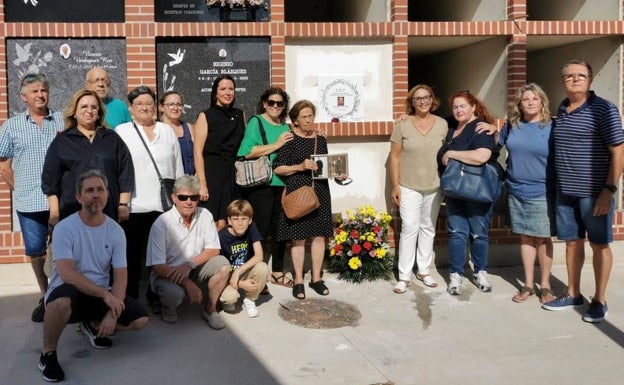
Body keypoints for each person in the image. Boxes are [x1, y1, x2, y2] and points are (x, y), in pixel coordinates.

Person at [38, 170, 148, 383]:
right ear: (79, 197)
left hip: (98, 294)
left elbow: (121, 276)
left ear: (107, 195)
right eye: (89, 190)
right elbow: (67, 273)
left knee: (140, 319)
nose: (96, 195)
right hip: (68, 290)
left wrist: (112, 313)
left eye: (100, 190)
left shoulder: (115, 231)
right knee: (61, 301)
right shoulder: (65, 228)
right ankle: (47, 354)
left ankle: (93, 323)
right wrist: (106, 297)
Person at [541, 60, 624, 323]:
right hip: (565, 191)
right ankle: (573, 293)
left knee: (599, 245)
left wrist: (608, 191)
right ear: (563, 80)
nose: (575, 79)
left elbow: (618, 151)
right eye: (569, 76)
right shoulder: (563, 109)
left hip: (594, 193)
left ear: (590, 79)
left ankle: (599, 300)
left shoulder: (604, 110)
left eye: (581, 75)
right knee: (572, 243)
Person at [478, 83, 557, 304]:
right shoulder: (512, 125)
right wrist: (493, 128)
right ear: (519, 104)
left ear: (542, 101)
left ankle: (546, 286)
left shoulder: (552, 126)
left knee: (542, 239)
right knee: (525, 237)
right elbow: (494, 146)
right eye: (525, 99)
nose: (530, 102)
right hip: (515, 189)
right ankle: (529, 285)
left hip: (542, 191)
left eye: (534, 98)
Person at [0, 73, 64, 322]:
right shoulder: (12, 126)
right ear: (23, 96)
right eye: (34, 91)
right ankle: (46, 294)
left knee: (63, 249)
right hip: (29, 203)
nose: (40, 95)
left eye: (43, 90)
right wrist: (21, 187)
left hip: (60, 199)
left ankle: (64, 294)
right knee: (36, 251)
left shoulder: (61, 120)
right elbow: (3, 164)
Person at [115, 86, 184, 302]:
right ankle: (131, 300)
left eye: (148, 104)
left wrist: (180, 199)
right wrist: (121, 203)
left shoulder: (166, 131)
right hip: (134, 207)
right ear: (131, 108)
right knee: (132, 257)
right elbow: (117, 169)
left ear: (155, 107)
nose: (144, 108)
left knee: (161, 257)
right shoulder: (122, 131)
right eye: (139, 104)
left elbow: (178, 167)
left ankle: (157, 297)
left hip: (163, 207)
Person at [274, 100, 343, 300]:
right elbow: (278, 167)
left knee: (320, 236)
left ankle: (316, 278)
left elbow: (326, 165)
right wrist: (300, 166)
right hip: (298, 192)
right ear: (295, 119)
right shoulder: (289, 139)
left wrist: (338, 175)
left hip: (320, 190)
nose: (308, 120)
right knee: (298, 238)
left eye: (311, 116)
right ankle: (297, 280)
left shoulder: (320, 139)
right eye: (304, 116)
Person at [146, 175, 230, 329]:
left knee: (223, 265)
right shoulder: (162, 223)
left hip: (194, 267)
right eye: (183, 197)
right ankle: (168, 306)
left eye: (193, 197)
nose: (189, 202)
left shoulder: (205, 215)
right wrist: (186, 282)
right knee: (174, 295)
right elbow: (157, 266)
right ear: (174, 198)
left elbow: (214, 249)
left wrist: (190, 265)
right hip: (169, 273)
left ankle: (210, 309)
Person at [436, 91, 498, 295]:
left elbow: (482, 156)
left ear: (473, 107)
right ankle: (456, 275)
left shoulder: (480, 128)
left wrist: (452, 153)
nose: (458, 110)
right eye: (455, 107)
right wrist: (405, 117)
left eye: (462, 106)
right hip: (455, 190)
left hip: (478, 191)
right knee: (456, 233)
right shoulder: (451, 126)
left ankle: (480, 272)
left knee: (479, 234)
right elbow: (427, 119)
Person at [41, 89, 134, 223]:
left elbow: (126, 173)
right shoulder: (62, 141)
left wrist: (123, 204)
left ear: (99, 112)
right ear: (74, 112)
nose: (89, 111)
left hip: (108, 212)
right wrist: (55, 213)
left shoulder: (112, 138)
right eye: (84, 106)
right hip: (72, 212)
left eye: (94, 107)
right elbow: (50, 181)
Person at [390, 85, 448, 294]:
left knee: (428, 227)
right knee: (409, 227)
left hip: (434, 184)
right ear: (412, 103)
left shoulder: (442, 124)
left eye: (426, 97)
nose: (422, 101)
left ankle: (424, 270)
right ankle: (404, 275)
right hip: (408, 185)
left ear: (433, 100)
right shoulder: (403, 125)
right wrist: (395, 186)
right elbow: (394, 157)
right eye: (417, 99)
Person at [237, 87, 294, 288]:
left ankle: (277, 271)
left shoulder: (286, 127)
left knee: (281, 229)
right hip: (262, 185)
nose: (275, 106)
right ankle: (256, 275)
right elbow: (247, 151)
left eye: (279, 103)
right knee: (260, 230)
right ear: (264, 103)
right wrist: (277, 145)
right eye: (271, 102)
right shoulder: (256, 122)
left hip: (283, 184)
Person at [194, 74, 246, 230]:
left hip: (234, 173)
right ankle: (212, 254)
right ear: (215, 93)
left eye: (231, 89)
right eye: (223, 89)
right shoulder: (205, 116)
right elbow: (197, 152)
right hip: (212, 173)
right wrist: (202, 184)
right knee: (214, 222)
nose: (228, 92)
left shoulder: (240, 115)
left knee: (232, 220)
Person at [218, 199, 269, 318]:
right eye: (236, 219)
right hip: (226, 276)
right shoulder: (222, 237)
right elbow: (218, 272)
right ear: (229, 220)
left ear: (250, 220)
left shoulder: (251, 228)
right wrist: (240, 284)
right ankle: (227, 297)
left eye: (244, 219)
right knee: (230, 300)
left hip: (241, 271)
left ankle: (250, 299)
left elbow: (259, 256)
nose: (240, 223)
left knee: (263, 268)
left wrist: (238, 270)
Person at [158, 91, 195, 175]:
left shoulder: (189, 128)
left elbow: (197, 154)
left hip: (188, 182)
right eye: (171, 104)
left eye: (178, 104)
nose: (175, 108)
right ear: (161, 107)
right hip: (167, 181)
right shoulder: (157, 128)